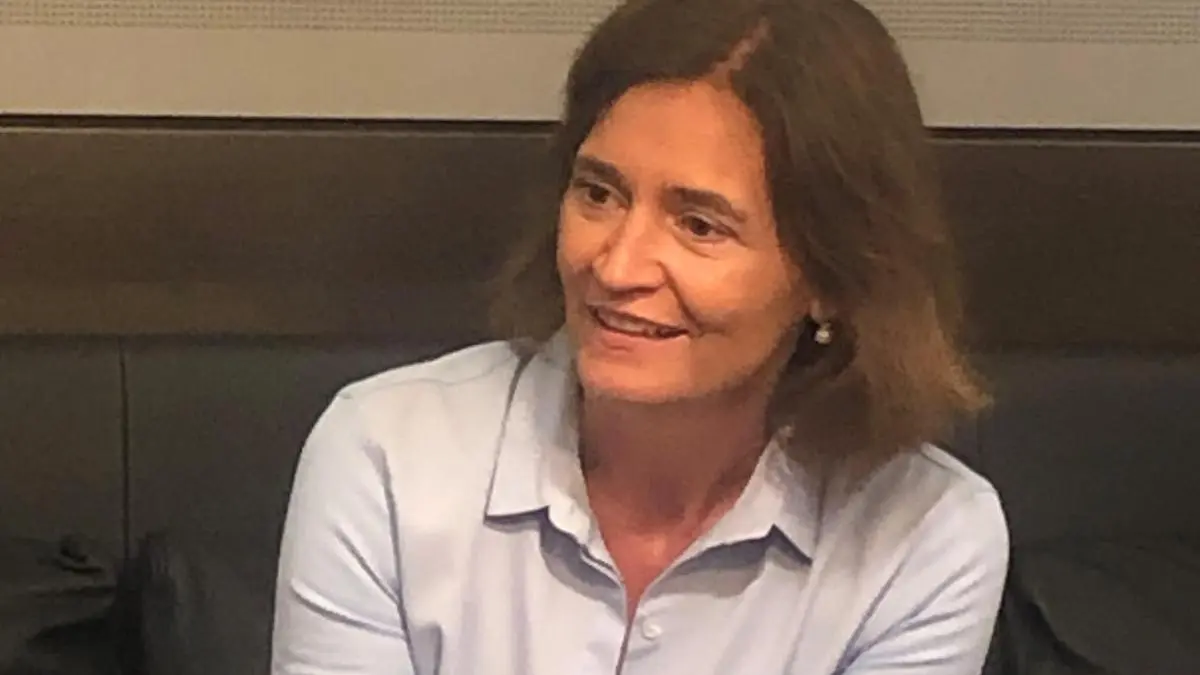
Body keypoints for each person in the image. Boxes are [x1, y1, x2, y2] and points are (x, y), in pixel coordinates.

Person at [271, 0, 1010, 672]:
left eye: (699, 225)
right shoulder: (387, 456)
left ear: (832, 274)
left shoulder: (926, 535)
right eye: (599, 193)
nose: (616, 266)